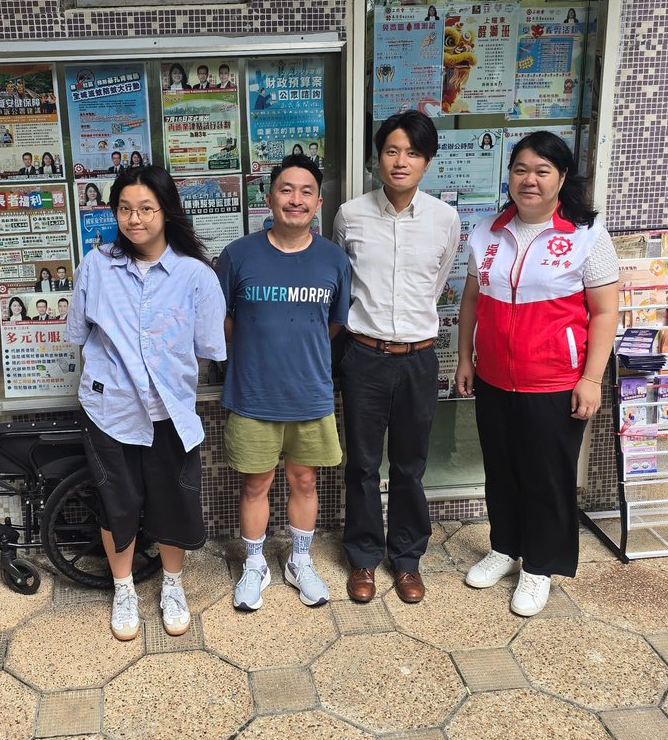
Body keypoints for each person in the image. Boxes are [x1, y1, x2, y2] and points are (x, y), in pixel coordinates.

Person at [455, 131, 619, 617]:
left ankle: (540, 566)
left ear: (562, 178)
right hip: (494, 378)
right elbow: (472, 299)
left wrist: (591, 379)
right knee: (501, 469)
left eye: (542, 171)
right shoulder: (486, 232)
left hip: (554, 381)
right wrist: (465, 358)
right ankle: (505, 548)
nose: (530, 180)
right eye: (521, 169)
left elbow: (605, 312)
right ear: (509, 175)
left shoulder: (587, 235)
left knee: (546, 476)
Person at [67, 165, 227, 641]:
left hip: (169, 413)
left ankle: (172, 586)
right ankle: (124, 589)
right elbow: (80, 333)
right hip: (109, 410)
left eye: (145, 209)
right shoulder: (96, 266)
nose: (134, 219)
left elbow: (207, 346)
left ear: (166, 211)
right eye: (124, 209)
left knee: (173, 501)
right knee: (117, 503)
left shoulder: (196, 276)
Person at [332, 110, 459, 605]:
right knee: (362, 464)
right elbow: (342, 284)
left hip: (418, 359)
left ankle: (406, 560)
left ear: (427, 161)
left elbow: (437, 283)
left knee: (410, 465)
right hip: (364, 356)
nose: (400, 161)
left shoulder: (445, 219)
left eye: (412, 153)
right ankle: (363, 556)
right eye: (391, 151)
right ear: (377, 158)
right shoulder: (350, 215)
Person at [217, 153, 351, 611]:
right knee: (255, 484)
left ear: (318, 202)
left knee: (305, 481)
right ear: (270, 197)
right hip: (253, 392)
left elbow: (333, 323)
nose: (296, 199)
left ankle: (299, 560)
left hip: (309, 392)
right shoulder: (238, 255)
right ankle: (255, 564)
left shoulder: (333, 259)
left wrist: (297, 349)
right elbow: (223, 320)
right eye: (286, 190)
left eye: (306, 191)